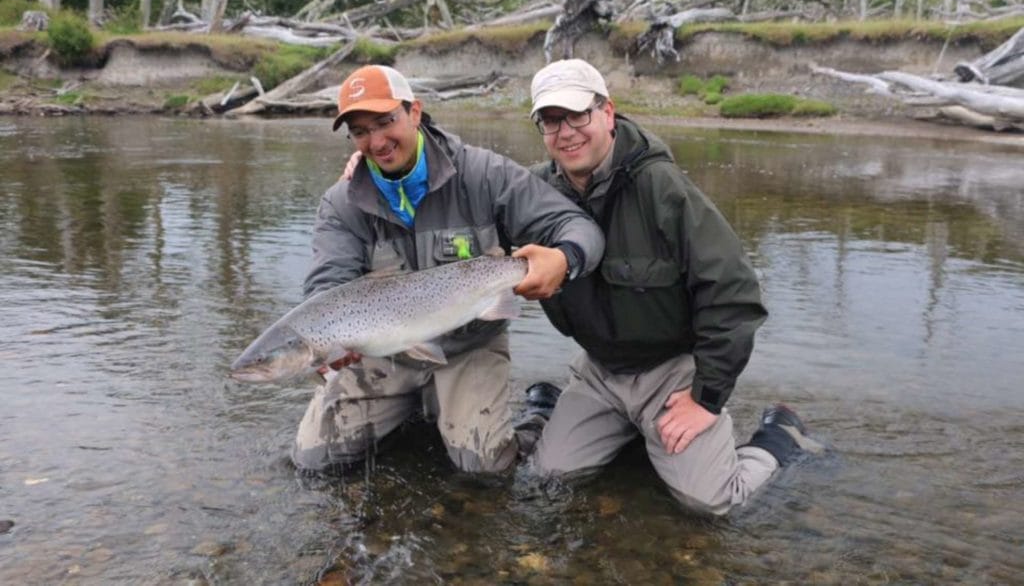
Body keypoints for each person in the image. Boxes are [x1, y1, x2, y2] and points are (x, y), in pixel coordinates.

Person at [524, 58, 822, 515]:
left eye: (576, 115)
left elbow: (735, 293)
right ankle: (579, 416)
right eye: (550, 120)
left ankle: (780, 435)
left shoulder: (662, 188)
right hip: (599, 371)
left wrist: (706, 397)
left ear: (607, 113)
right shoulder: (534, 194)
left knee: (710, 502)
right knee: (547, 480)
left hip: (671, 372)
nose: (565, 132)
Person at [291, 64, 604, 475]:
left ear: (415, 112)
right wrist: (333, 342)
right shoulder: (342, 203)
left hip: (467, 348)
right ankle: (416, 409)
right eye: (361, 131)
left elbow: (579, 228)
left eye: (386, 122)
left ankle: (539, 413)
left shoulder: (484, 174)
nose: (378, 141)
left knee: (484, 469)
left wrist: (564, 259)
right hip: (386, 357)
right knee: (314, 461)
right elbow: (327, 287)